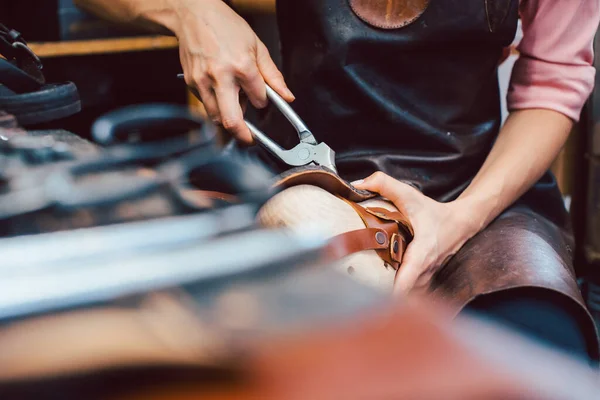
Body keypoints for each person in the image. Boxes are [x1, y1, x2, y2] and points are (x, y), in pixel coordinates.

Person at [76, 0, 600, 363]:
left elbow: (554, 84)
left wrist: (461, 219)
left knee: (540, 357)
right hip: (295, 177)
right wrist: (191, 10)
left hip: (476, 193)